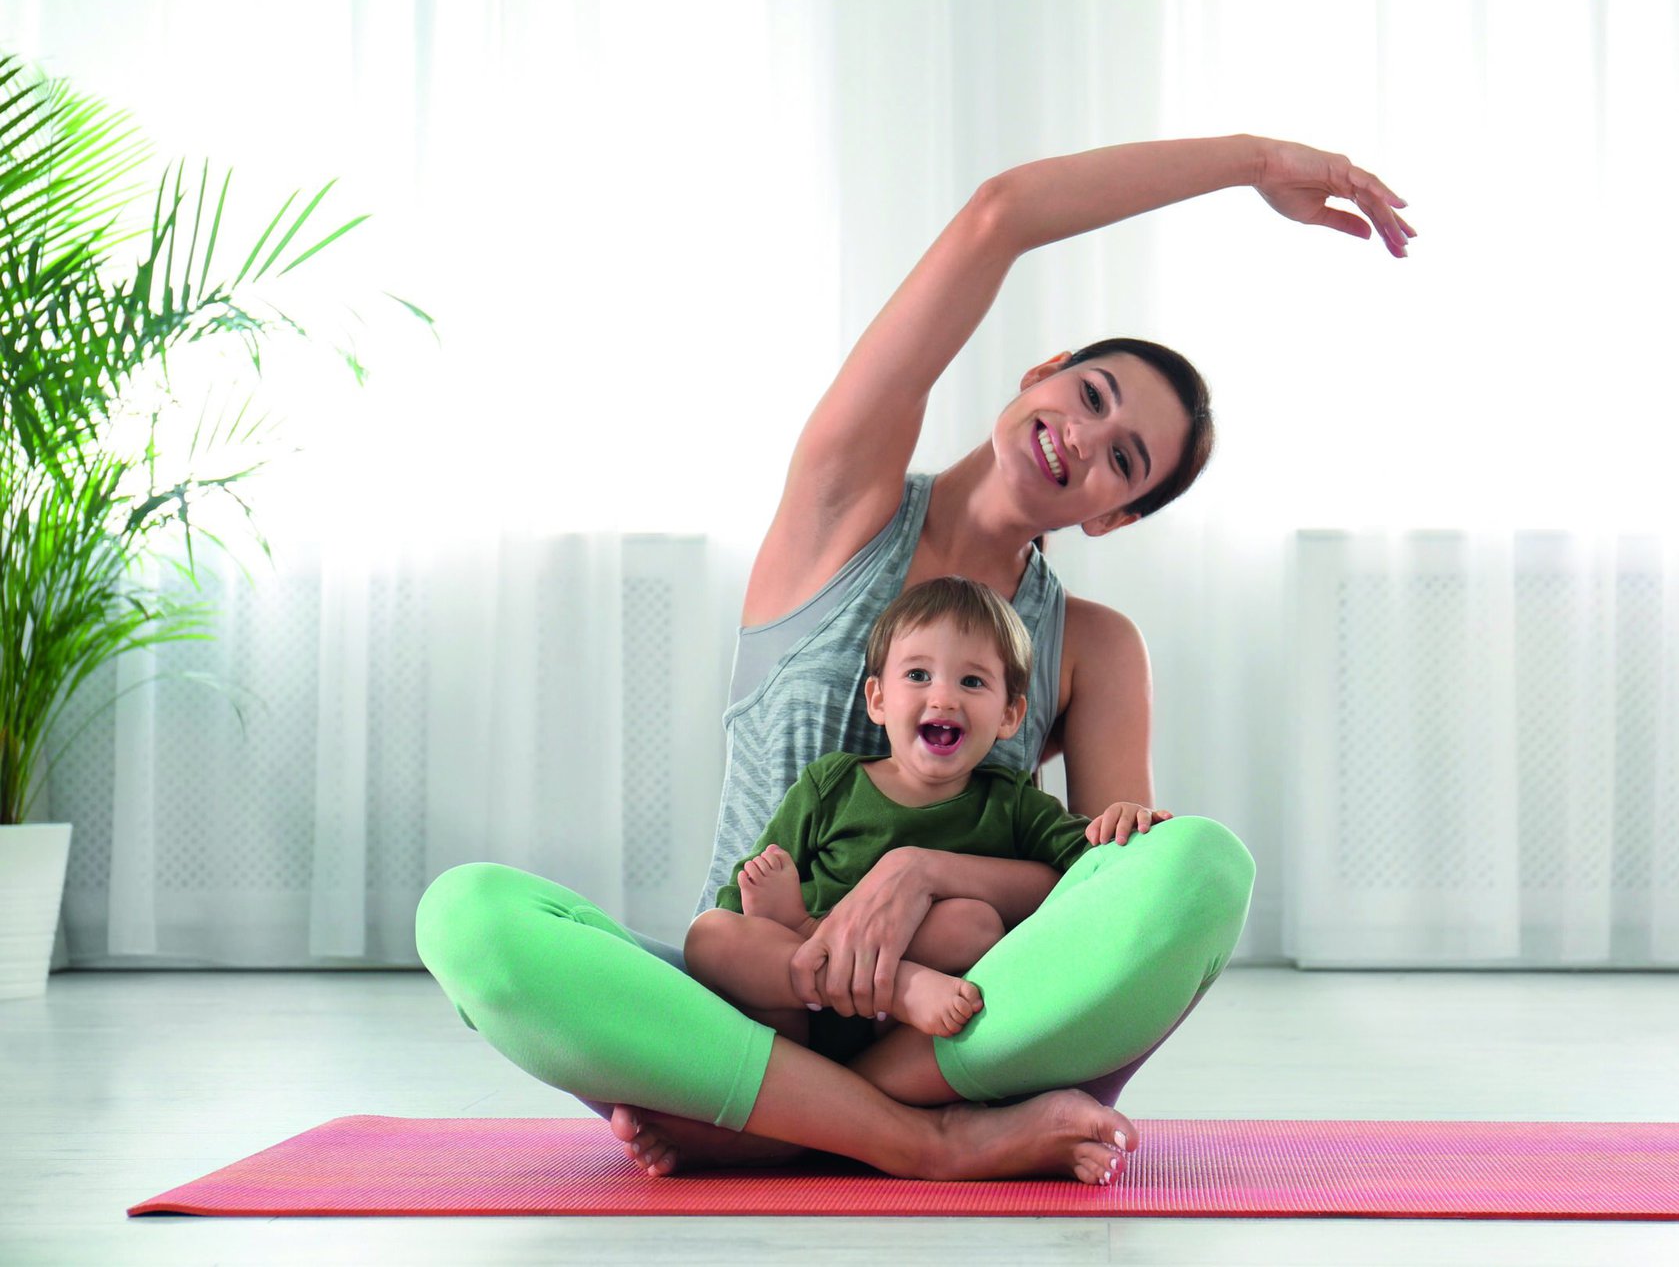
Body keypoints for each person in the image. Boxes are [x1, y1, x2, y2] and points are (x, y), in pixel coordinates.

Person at [414, 134, 1413, 1186]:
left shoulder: (1096, 648)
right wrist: (1251, 161)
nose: (1083, 435)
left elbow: (1088, 899)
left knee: (1203, 867)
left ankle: (762, 1118)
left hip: (943, 1020)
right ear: (1041, 376)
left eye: (1121, 457)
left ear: (1112, 515)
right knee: (468, 916)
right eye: (1090, 394)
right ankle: (911, 1139)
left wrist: (918, 869)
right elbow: (999, 212)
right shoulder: (844, 502)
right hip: (744, 1001)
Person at [685, 576, 1172, 1055]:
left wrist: (1128, 820)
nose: (943, 697)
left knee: (973, 924)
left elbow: (1090, 862)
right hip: (799, 1007)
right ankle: (874, 973)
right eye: (918, 675)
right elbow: (741, 894)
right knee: (709, 935)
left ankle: (832, 963)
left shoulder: (1012, 802)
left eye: (972, 681)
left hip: (901, 1034)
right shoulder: (831, 784)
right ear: (878, 700)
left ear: (1009, 715)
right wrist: (759, 910)